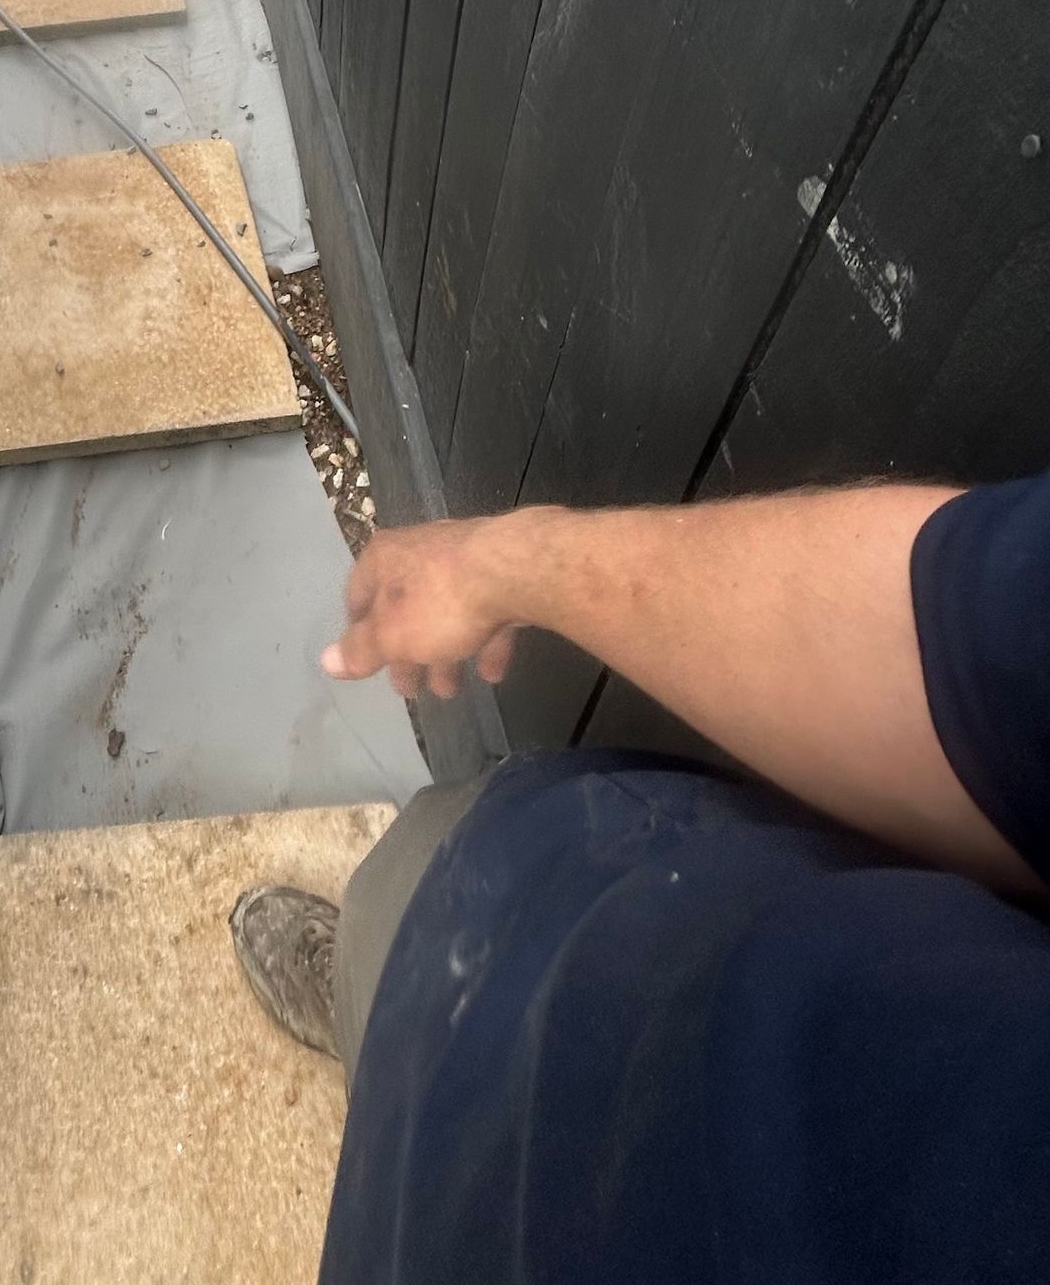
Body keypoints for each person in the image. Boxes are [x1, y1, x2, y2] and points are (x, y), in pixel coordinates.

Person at [233, 478, 1050, 1282]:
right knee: (396, 927)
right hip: (553, 933)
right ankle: (374, 1026)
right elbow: (958, 652)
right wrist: (508, 564)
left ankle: (388, 1043)